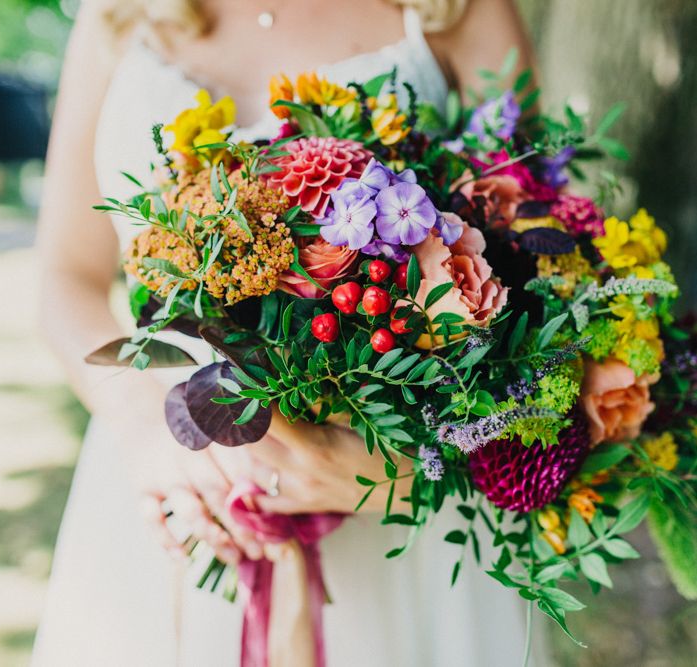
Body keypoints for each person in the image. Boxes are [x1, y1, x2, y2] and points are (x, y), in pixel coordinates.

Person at [33, 1, 540, 664]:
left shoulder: (455, 9)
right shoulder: (116, 13)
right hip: (179, 498)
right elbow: (65, 276)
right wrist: (140, 420)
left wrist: (404, 468)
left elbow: (543, 288)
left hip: (396, 510)